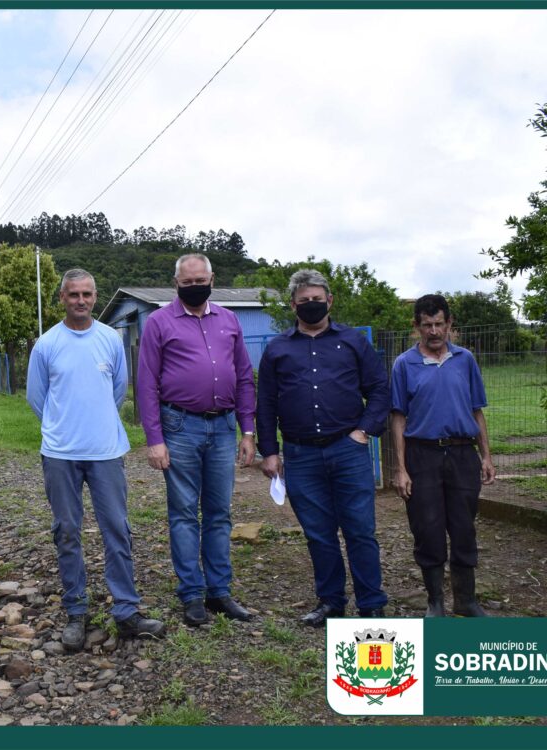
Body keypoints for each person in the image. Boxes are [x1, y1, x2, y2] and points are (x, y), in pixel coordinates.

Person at [27, 269, 166, 651]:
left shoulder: (109, 339)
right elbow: (37, 399)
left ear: (95, 296)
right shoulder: (46, 344)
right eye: (73, 294)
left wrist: (95, 425)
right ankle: (76, 611)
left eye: (87, 294)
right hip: (60, 454)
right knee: (67, 531)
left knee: (117, 530)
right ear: (62, 298)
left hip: (106, 452)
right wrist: (63, 427)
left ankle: (126, 611)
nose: (81, 301)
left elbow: (118, 390)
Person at [256, 268, 390, 627]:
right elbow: (265, 402)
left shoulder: (353, 342)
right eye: (304, 301)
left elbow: (379, 389)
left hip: (348, 448)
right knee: (318, 533)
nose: (311, 305)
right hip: (300, 455)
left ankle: (371, 603)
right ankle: (331, 602)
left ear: (329, 301)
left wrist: (364, 432)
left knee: (360, 529)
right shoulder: (277, 349)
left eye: (318, 300)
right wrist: (270, 451)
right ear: (293, 305)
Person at [136, 253, 256, 626]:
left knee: (220, 515)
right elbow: (145, 384)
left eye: (200, 280)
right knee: (185, 514)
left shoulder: (229, 320)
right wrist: (154, 439)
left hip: (222, 428)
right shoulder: (158, 322)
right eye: (187, 283)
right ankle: (191, 594)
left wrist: (247, 430)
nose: (194, 287)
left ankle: (219, 592)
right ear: (176, 284)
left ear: (211, 278)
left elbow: (244, 376)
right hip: (180, 427)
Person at [390, 294, 495, 617]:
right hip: (423, 456)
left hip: (463, 454)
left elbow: (477, 411)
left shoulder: (465, 360)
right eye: (427, 326)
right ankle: (435, 602)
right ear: (416, 327)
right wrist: (401, 468)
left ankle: (466, 600)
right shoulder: (403, 365)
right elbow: (398, 418)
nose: (434, 332)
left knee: (464, 527)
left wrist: (486, 456)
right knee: (428, 527)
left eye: (439, 324)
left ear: (450, 324)